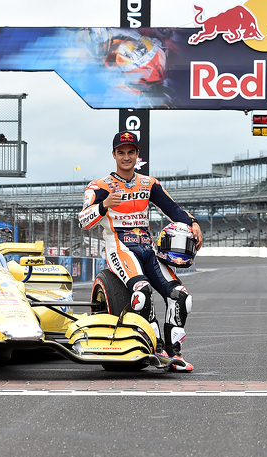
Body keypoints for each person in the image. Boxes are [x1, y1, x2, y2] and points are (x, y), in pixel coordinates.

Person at [78, 131, 203, 372]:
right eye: (121, 152)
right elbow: (83, 221)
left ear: (137, 155)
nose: (126, 157)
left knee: (181, 296)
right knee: (142, 292)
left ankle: (174, 353)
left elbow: (174, 210)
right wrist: (103, 206)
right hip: (120, 247)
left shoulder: (149, 183)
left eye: (131, 152)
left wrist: (194, 223)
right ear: (114, 155)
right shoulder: (100, 186)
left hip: (147, 248)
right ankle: (154, 348)